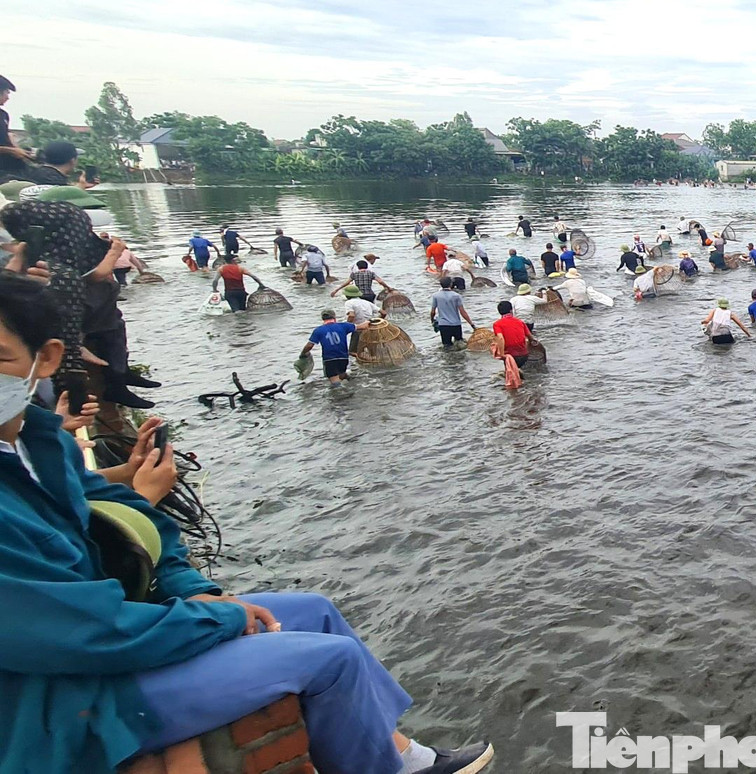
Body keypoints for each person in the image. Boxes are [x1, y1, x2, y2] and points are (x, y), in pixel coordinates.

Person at [0, 275, 496, 774]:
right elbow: (80, 632)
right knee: (331, 660)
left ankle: (403, 754)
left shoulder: (42, 444)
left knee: (316, 611)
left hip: (121, 630)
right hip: (68, 696)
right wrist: (221, 619)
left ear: (46, 358)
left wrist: (196, 590)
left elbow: (136, 524)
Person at [302, 309, 369, 385]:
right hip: (343, 358)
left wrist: (303, 353)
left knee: (334, 380)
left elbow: (309, 346)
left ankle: (341, 391)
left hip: (329, 359)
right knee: (341, 373)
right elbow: (363, 326)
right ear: (334, 317)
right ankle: (351, 383)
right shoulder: (344, 326)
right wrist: (369, 322)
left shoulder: (318, 330)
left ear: (322, 318)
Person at [0, 75, 35, 181]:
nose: (8, 97)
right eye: (6, 93)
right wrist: (11, 151)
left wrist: (16, 147)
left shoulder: (3, 115)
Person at [430, 278, 475, 348]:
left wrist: (432, 320)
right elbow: (462, 312)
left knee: (447, 346)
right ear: (451, 284)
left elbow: (433, 312)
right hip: (456, 324)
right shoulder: (456, 296)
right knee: (459, 344)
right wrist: (471, 324)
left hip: (444, 325)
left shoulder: (436, 296)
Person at [493, 300, 539, 368]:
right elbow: (529, 336)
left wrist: (502, 355)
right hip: (524, 355)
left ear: (499, 312)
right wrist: (533, 341)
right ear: (511, 310)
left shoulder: (497, 324)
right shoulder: (520, 322)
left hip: (511, 357)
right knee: (518, 369)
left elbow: (500, 338)